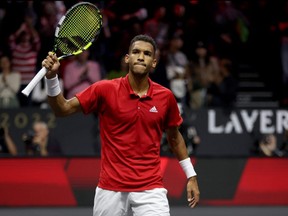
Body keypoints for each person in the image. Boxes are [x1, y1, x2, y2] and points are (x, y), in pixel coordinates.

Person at [42, 34, 200, 215]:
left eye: (147, 54)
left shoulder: (165, 97)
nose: (141, 56)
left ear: (154, 63)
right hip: (110, 190)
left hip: (150, 189)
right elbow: (62, 109)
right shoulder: (104, 89)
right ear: (127, 59)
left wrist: (191, 175)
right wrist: (52, 78)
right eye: (136, 52)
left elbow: (175, 137)